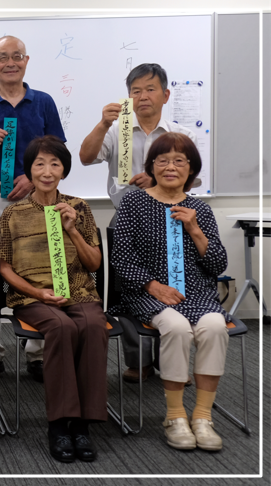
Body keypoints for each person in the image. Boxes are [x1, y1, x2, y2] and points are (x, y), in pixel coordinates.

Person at [78, 63, 198, 384]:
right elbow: (86, 157)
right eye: (136, 91)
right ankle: (138, 362)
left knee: (174, 286)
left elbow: (195, 179)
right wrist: (103, 123)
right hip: (127, 217)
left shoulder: (180, 134)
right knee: (129, 288)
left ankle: (173, 361)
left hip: (171, 218)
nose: (143, 96)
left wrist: (161, 180)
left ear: (165, 94)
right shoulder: (118, 128)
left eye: (150, 89)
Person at [111, 132, 229, 452]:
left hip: (195, 291)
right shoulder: (134, 202)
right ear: (152, 166)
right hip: (147, 291)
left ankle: (202, 417)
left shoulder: (199, 209)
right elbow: (121, 257)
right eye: (162, 160)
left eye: (179, 160)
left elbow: (217, 264)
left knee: (215, 327)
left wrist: (194, 229)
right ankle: (175, 416)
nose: (170, 166)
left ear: (191, 169)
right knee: (176, 328)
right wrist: (153, 286)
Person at [0, 135, 108, 463]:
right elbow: (4, 268)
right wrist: (36, 292)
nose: (47, 171)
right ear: (28, 171)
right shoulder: (13, 215)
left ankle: (83, 423)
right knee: (61, 328)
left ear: (64, 170)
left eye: (55, 164)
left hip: (78, 291)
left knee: (91, 324)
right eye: (39, 164)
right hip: (33, 296)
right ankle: (59, 424)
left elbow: (94, 264)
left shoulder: (80, 207)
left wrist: (72, 229)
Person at [0, 35, 65, 378]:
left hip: (36, 197)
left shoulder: (44, 102)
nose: (10, 62)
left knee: (39, 267)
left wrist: (35, 181)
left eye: (16, 56)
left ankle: (37, 352)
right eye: (2, 57)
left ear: (26, 60)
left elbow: (58, 153)